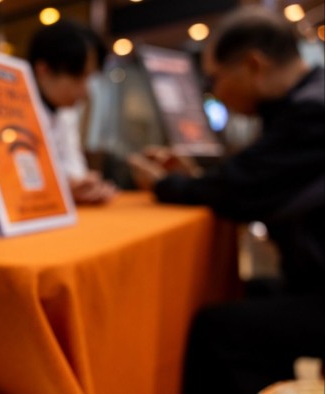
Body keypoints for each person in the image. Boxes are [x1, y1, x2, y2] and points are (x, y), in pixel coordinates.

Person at [127, 6, 325, 394]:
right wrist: (196, 177)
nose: (214, 91)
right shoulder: (303, 105)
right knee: (245, 296)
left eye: (215, 79)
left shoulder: (312, 114)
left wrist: (163, 184)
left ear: (253, 65)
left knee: (217, 331)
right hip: (310, 282)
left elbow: (240, 191)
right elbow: (259, 176)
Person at [28, 20, 116, 204]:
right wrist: (62, 189)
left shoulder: (66, 114)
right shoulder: (5, 112)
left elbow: (75, 171)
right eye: (78, 77)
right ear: (43, 70)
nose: (84, 93)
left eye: (88, 79)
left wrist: (86, 187)